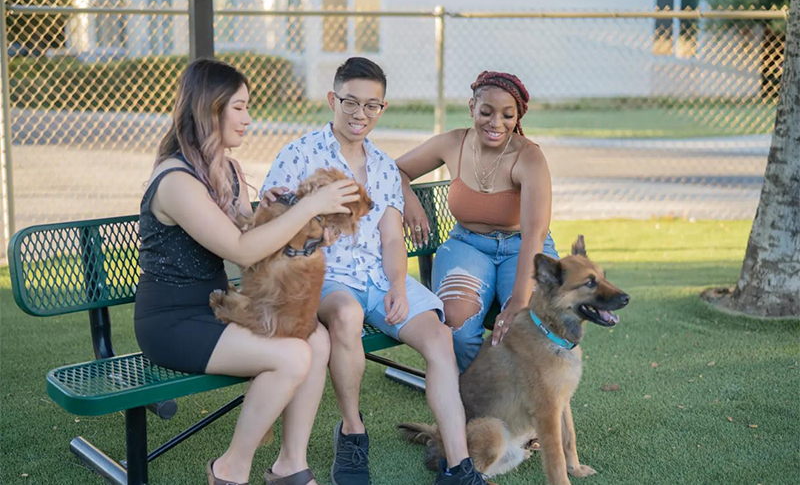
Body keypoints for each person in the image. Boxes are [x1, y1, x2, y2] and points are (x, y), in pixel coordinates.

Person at [261, 57, 489, 485]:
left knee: (440, 337)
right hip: (325, 276)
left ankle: (459, 467)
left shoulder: (384, 166)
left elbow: (390, 238)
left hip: (379, 276)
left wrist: (399, 286)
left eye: (372, 106)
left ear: (382, 108)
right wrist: (277, 208)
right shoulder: (299, 153)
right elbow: (269, 220)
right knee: (346, 315)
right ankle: (352, 431)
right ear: (333, 99)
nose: (359, 114)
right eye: (351, 102)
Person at [134, 59, 360, 485]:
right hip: (172, 323)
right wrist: (309, 207)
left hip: (218, 308)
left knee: (316, 336)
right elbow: (238, 248)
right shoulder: (176, 180)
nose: (248, 118)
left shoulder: (228, 170)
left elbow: (254, 248)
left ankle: (290, 465)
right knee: (293, 355)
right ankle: (229, 471)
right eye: (238, 107)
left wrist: (284, 216)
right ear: (209, 107)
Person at [396, 71, 560, 373]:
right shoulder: (452, 143)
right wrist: (410, 201)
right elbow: (396, 172)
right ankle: (474, 396)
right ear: (472, 107)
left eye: (507, 115)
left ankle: (517, 397)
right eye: (486, 112)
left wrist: (519, 302)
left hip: (524, 247)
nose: (496, 123)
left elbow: (535, 236)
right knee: (457, 325)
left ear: (517, 116)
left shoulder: (530, 158)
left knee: (529, 324)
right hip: (467, 244)